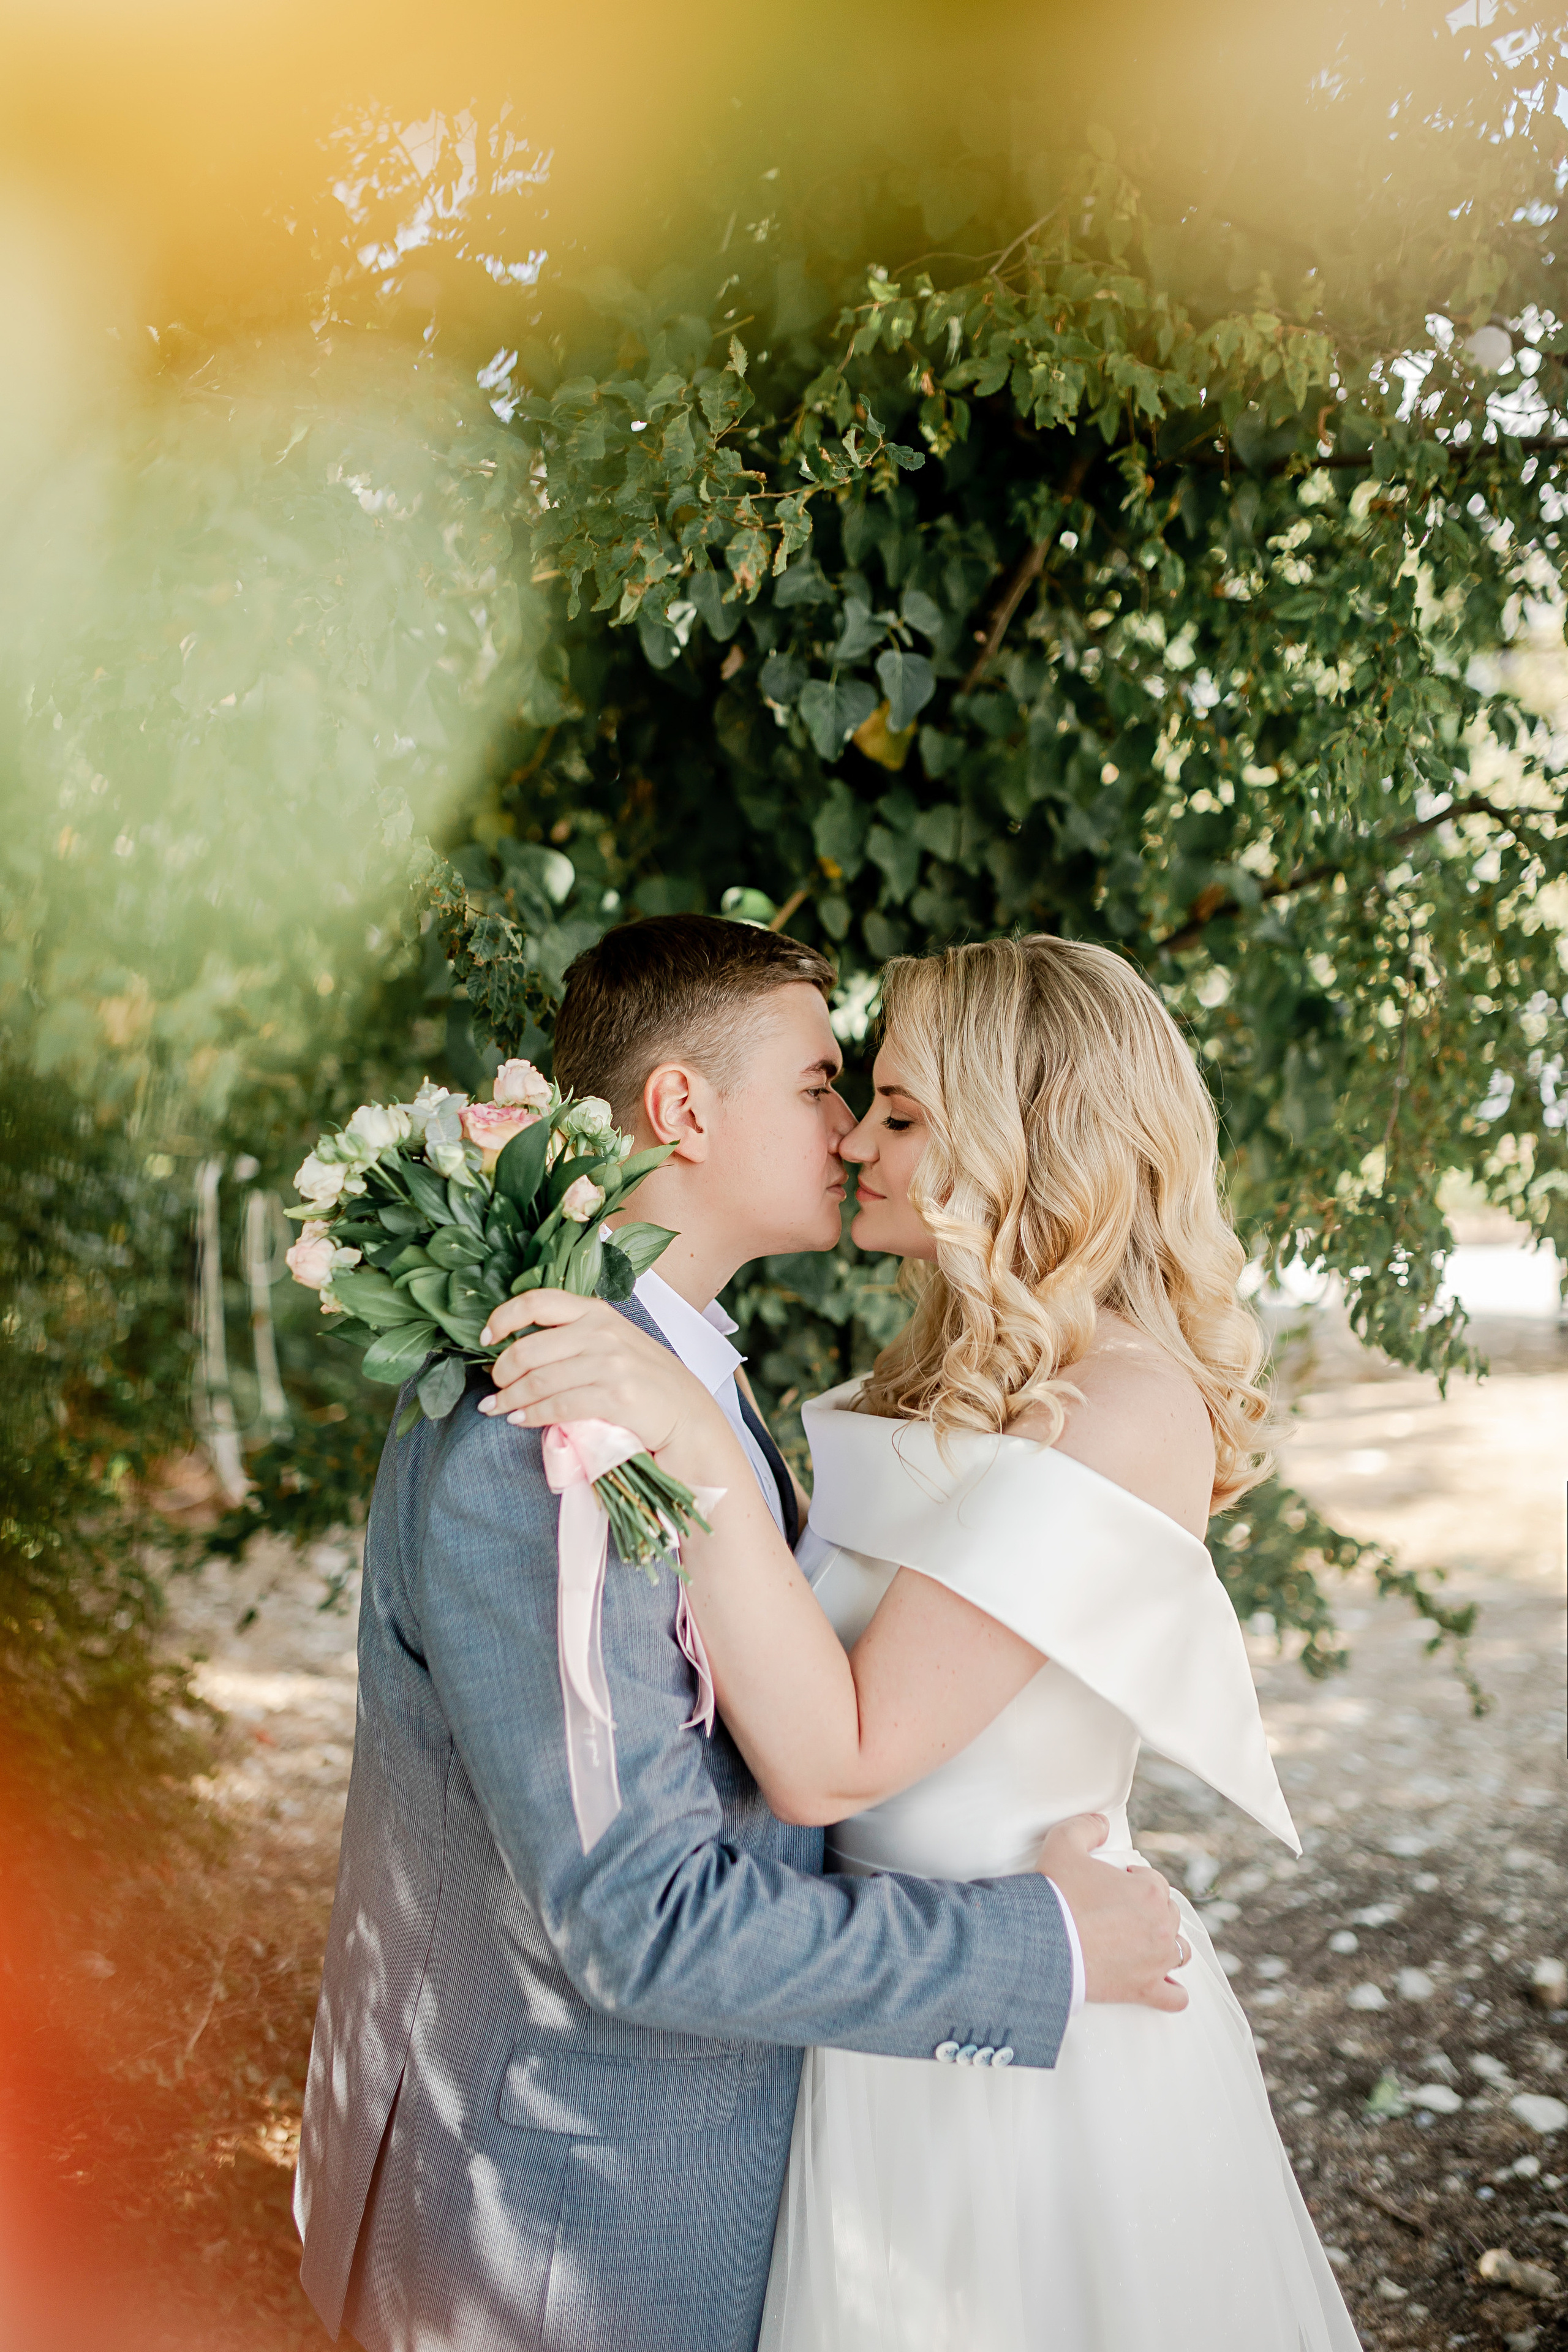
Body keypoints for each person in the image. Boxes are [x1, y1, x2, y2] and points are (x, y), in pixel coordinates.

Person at [293, 916, 1186, 2352]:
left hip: (742, 2150)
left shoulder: (675, 1378)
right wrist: (1040, 1950)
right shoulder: (550, 1420)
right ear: (683, 1108)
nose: (845, 1132)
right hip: (573, 2217)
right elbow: (642, 1919)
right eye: (825, 1083)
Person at [484, 932, 1362, 2351]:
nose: (855, 1142)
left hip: (1028, 2045)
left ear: (1025, 1138)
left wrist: (690, 1429)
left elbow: (839, 1760)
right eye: (856, 1100)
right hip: (870, 2007)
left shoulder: (1120, 1405)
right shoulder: (941, 1380)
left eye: (898, 1112)